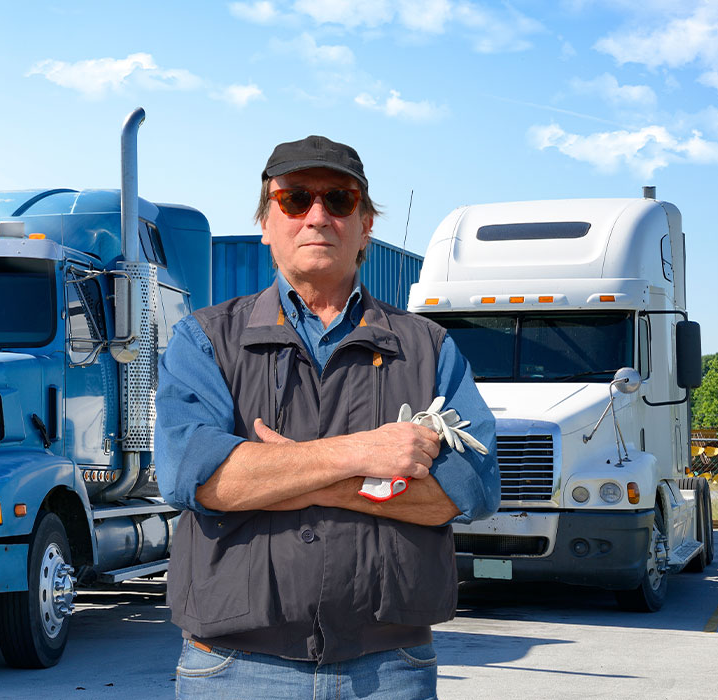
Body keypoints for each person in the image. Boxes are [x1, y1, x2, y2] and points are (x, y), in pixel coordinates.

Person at [154, 135, 500, 699]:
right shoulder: (204, 339)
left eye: (339, 200)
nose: (317, 216)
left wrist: (282, 470)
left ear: (366, 224)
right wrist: (364, 454)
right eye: (294, 200)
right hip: (235, 670)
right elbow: (200, 479)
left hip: (390, 668)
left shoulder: (429, 347)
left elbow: (470, 490)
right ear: (266, 222)